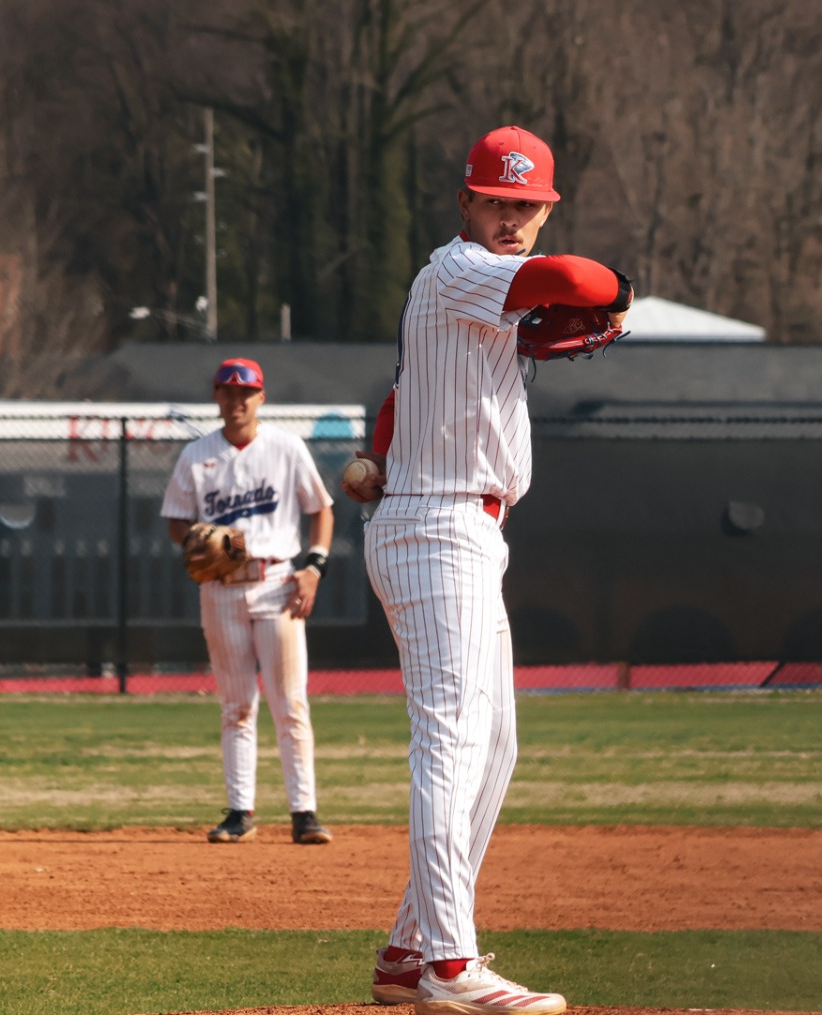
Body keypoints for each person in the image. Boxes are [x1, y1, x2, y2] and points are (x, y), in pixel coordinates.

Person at [346, 127, 631, 1015]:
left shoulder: (479, 300)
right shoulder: (461, 270)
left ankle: (408, 950)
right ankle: (451, 964)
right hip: (438, 524)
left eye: (527, 205)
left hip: (460, 528)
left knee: (494, 744)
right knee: (452, 742)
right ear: (466, 202)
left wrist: (378, 451)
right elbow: (577, 280)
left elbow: (401, 398)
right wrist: (621, 294)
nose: (512, 218)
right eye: (498, 201)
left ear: (545, 208)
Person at [162, 357, 336, 845]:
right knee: (236, 705)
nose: (236, 400)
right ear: (216, 397)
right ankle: (240, 812)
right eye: (228, 391)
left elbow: (321, 509)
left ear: (261, 397)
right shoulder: (197, 455)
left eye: (246, 392)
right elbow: (176, 519)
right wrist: (198, 540)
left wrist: (314, 567)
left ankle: (304, 813)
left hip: (276, 582)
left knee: (290, 702)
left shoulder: (286, 447)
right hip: (221, 587)